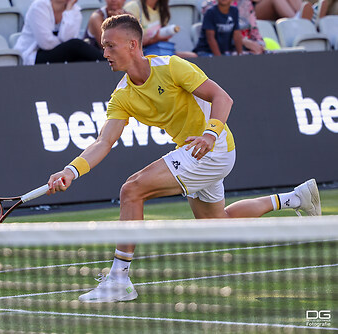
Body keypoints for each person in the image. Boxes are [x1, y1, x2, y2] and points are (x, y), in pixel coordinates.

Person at [47, 14, 321, 303]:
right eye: (103, 47)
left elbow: (223, 98)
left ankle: (119, 279)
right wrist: (71, 171)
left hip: (213, 147)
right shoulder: (122, 95)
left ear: (132, 45)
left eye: (110, 46)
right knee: (217, 224)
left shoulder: (171, 66)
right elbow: (104, 142)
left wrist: (210, 135)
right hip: (193, 151)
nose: (104, 54)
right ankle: (294, 198)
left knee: (132, 189)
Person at [15, 0, 106, 65]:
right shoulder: (38, 7)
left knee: (82, 60)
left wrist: (69, 10)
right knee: (76, 45)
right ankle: (107, 63)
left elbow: (67, 39)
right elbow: (45, 43)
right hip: (33, 57)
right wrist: (65, 45)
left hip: (58, 56)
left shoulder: (75, 11)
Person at [123, 0, 197, 58]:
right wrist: (153, 39)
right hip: (141, 52)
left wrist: (165, 37)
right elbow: (128, 42)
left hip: (160, 49)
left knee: (192, 57)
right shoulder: (133, 7)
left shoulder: (162, 9)